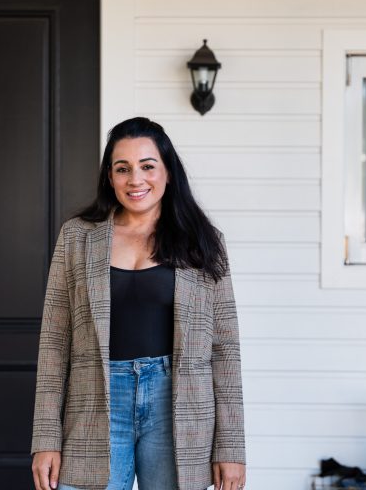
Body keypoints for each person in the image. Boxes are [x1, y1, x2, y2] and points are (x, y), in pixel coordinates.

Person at [31, 117, 246, 490]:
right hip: (93, 402)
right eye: (122, 169)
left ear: (168, 172)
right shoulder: (78, 238)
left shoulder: (203, 242)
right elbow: (54, 341)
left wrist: (230, 447)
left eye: (148, 166)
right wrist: (45, 437)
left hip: (177, 406)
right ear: (109, 177)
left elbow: (224, 349)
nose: (136, 180)